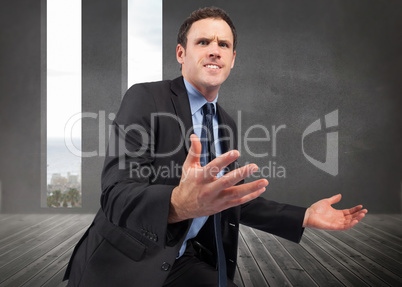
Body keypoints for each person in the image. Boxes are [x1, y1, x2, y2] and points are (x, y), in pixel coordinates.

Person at [64, 7, 367, 287]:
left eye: (223, 44)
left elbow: (227, 198)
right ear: (181, 53)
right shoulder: (145, 98)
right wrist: (175, 204)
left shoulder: (225, 124)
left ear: (233, 59)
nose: (214, 50)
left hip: (180, 262)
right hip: (124, 266)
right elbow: (116, 193)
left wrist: (304, 217)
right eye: (203, 42)